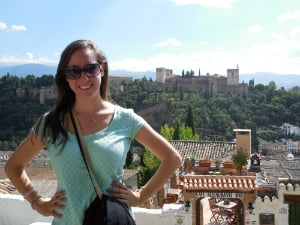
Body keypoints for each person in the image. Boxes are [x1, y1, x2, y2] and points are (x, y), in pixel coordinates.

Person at [5, 39, 182, 224]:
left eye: (90, 69)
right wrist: (36, 201)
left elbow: (172, 158)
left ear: (102, 69)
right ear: (65, 77)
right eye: (74, 71)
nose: (84, 78)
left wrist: (141, 196)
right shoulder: (52, 123)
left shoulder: (125, 120)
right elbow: (13, 166)